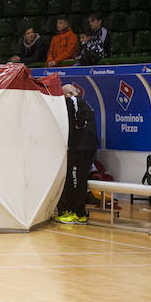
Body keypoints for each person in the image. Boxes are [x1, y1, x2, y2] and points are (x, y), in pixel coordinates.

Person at [55, 84, 98, 224]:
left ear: (68, 93)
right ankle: (78, 212)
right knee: (79, 179)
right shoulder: (84, 104)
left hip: (80, 148)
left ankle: (75, 212)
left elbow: (75, 124)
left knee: (75, 179)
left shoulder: (73, 101)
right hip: (85, 147)